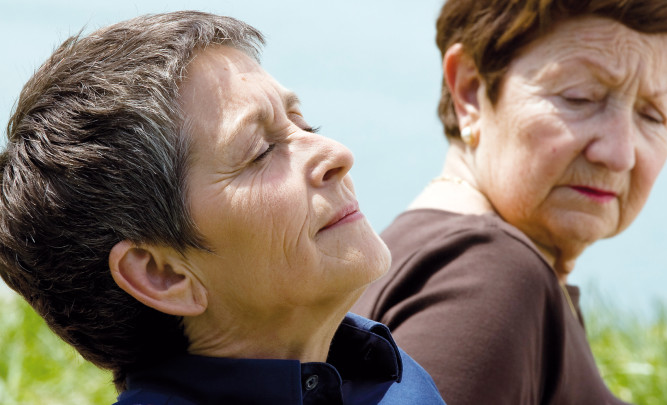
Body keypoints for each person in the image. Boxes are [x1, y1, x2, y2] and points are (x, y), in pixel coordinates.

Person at [0, 11, 445, 405]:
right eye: (260, 152)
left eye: (305, 123)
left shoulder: (389, 376)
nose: (337, 152)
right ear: (164, 274)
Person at [352, 0, 667, 404]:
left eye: (652, 115)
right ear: (470, 89)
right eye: (580, 98)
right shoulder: (488, 279)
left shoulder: (431, 256)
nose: (619, 153)